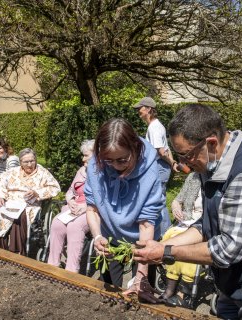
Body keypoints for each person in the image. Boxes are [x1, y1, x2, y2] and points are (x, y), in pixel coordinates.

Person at [133, 104, 242, 319]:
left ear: (211, 143)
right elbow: (207, 225)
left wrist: (166, 253)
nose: (183, 163)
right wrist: (161, 245)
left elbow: (227, 250)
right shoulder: (210, 164)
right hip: (233, 285)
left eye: (186, 155)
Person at [85, 118, 164, 303]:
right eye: (108, 160)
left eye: (122, 160)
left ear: (135, 148)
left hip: (144, 240)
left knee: (142, 292)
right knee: (110, 293)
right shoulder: (95, 165)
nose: (115, 166)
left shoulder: (150, 171)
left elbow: (146, 223)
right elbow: (92, 208)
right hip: (109, 237)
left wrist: (140, 276)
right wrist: (97, 236)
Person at [0, 148, 60, 255]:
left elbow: (54, 188)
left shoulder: (43, 172)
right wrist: (0, 197)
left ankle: (17, 251)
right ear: (20, 163)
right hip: (10, 201)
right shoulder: (13, 172)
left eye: (32, 161)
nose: (29, 164)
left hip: (30, 204)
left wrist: (37, 193)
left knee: (20, 216)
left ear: (36, 160)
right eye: (26, 162)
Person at [47, 139, 95, 273]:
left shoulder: (103, 173)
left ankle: (71, 270)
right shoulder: (81, 170)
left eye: (86, 155)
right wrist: (70, 201)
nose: (83, 158)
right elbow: (70, 191)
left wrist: (85, 206)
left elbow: (104, 198)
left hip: (92, 210)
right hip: (74, 207)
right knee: (57, 223)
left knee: (75, 227)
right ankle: (53, 264)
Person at [133, 97, 178, 234]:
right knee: (158, 199)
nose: (138, 111)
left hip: (159, 166)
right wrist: (173, 163)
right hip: (161, 166)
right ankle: (163, 233)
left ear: (148, 109)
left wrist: (172, 163)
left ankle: (165, 235)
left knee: (158, 201)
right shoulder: (156, 126)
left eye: (140, 108)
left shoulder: (154, 127)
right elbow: (166, 148)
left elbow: (161, 151)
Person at [160, 172, 203, 307]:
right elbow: (177, 200)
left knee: (187, 246)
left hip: (203, 227)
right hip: (186, 222)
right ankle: (170, 287)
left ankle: (183, 292)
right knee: (170, 238)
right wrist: (176, 207)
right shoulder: (194, 177)